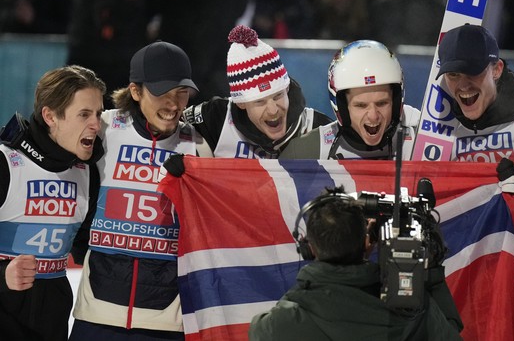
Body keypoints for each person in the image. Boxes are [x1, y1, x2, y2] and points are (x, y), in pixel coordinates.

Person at [69, 41, 199, 340]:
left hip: (167, 322)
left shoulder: (200, 145)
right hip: (96, 315)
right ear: (135, 91)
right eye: (161, 92)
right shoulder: (102, 129)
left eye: (181, 92)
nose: (173, 104)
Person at [437, 23, 514, 339]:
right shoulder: (442, 132)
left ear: (497, 68)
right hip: (478, 284)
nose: (462, 85)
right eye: (453, 76)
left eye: (473, 73)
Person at [248, 186, 463, 340]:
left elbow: (257, 330)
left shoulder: (279, 324)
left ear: (309, 248)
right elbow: (450, 333)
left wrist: (308, 283)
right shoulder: (411, 309)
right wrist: (432, 275)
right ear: (368, 242)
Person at [0, 65, 105, 340]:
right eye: (84, 114)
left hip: (52, 325)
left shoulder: (87, 171)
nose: (96, 124)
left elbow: (88, 246)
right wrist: (2, 276)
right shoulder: (5, 163)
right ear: (50, 116)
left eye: (98, 114)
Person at [182, 24, 331, 158]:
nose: (273, 110)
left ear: (287, 88)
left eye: (278, 95)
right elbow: (166, 128)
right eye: (260, 101)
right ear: (241, 103)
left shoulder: (319, 129)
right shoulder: (216, 119)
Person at [280, 39, 420, 160]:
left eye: (382, 103)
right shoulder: (305, 153)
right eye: (361, 105)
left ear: (396, 102)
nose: (373, 116)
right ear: (341, 107)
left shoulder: (422, 140)